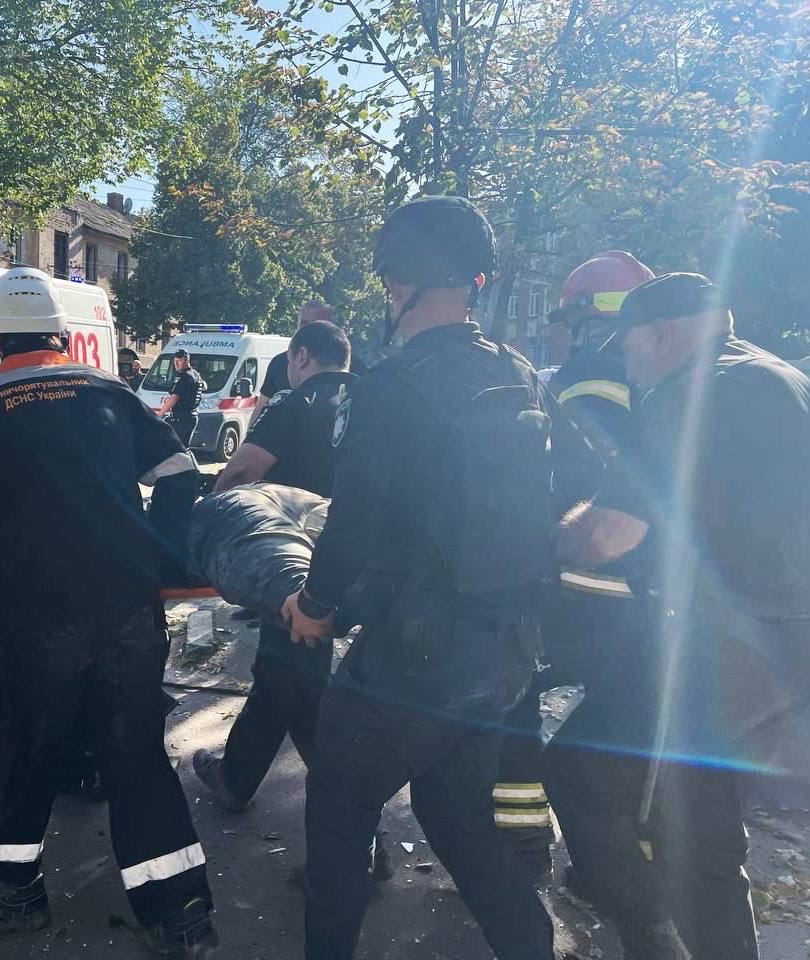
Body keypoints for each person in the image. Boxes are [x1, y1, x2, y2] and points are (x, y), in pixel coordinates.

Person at [282, 196, 556, 960]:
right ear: (475, 280)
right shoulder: (519, 372)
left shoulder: (391, 387)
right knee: (456, 815)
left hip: (416, 659)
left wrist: (314, 604)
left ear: (398, 281)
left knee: (339, 808)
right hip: (504, 654)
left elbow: (354, 524)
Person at [0, 267, 217, 955]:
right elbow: (181, 473)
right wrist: (159, 556)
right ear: (60, 333)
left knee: (30, 744)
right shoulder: (110, 391)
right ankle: (179, 913)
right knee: (134, 750)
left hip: (34, 612)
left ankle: (6, 885)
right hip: (126, 602)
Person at [551, 273, 810, 960]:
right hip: (790, 641)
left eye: (629, 350)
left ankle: (654, 939)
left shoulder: (687, 396)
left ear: (663, 335)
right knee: (702, 825)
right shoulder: (791, 381)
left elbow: (611, 533)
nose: (628, 368)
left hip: (715, 655)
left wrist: (550, 540)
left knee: (585, 774)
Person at [493, 251, 655, 886]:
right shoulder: (670, 383)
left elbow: (549, 476)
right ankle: (625, 864)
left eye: (564, 320)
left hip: (572, 579)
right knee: (621, 728)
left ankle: (522, 843)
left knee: (514, 695)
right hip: (646, 596)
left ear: (589, 318)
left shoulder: (582, 378)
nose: (559, 334)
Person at [193, 321, 356, 812]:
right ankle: (236, 778)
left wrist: (213, 523)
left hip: (290, 560)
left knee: (297, 676)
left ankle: (347, 810)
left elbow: (243, 470)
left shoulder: (295, 404)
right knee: (283, 670)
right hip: (350, 554)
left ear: (301, 356)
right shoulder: (371, 403)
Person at [249, 299, 335, 428]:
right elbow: (261, 406)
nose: (308, 330)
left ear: (330, 326)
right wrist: (249, 437)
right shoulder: (280, 363)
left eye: (315, 324)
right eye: (304, 324)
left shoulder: (346, 365)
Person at [159, 349, 205, 447]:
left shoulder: (183, 376)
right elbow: (204, 387)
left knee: (173, 447)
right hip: (193, 416)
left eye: (178, 361)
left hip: (181, 418)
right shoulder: (196, 374)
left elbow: (174, 398)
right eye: (175, 361)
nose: (176, 364)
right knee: (184, 447)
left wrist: (160, 414)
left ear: (186, 360)